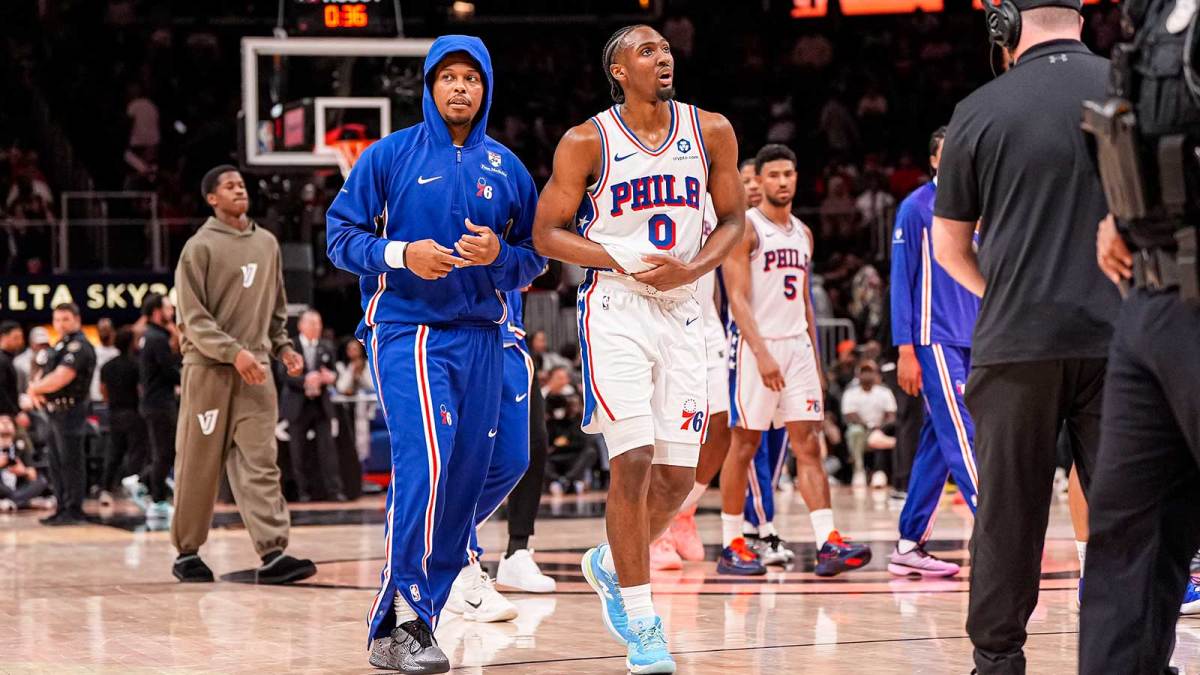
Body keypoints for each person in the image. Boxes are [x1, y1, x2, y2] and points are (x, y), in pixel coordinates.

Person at [325, 36, 544, 673]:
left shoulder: (508, 167)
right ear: (428, 85)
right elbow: (341, 237)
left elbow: (536, 255)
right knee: (425, 466)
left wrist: (499, 258)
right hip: (410, 330)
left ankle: (418, 589)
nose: (459, 89)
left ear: (487, 89)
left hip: (483, 333)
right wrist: (401, 255)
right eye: (447, 77)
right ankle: (408, 620)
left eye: (471, 80)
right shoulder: (388, 155)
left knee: (494, 466)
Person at [531, 24, 744, 672]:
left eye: (665, 48)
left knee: (678, 478)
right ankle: (644, 624)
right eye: (646, 50)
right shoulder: (586, 140)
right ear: (618, 70)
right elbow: (546, 233)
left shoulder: (711, 131)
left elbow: (734, 219)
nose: (663, 56)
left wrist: (693, 266)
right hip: (617, 309)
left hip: (684, 306)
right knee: (633, 460)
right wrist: (618, 257)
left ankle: (608, 559)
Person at [930, 0, 1119, 669]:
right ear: (1083, 19)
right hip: (1121, 340)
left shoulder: (978, 109)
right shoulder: (1123, 87)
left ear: (1005, 26)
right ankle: (1133, 655)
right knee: (1129, 513)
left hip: (1017, 341)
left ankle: (998, 659)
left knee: (1008, 517)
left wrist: (1005, 289)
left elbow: (949, 246)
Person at [724, 143, 872, 579]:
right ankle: (734, 541)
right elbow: (736, 298)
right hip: (757, 347)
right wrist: (763, 353)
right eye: (774, 175)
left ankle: (828, 541)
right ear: (761, 181)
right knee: (744, 444)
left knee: (809, 445)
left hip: (798, 348)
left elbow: (806, 300)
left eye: (789, 174)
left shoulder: (803, 233)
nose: (782, 181)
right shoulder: (745, 229)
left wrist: (815, 358)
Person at [170, 165, 315, 586]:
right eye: (229, 186)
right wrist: (234, 353)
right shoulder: (198, 248)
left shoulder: (267, 243)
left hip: (256, 369)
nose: (239, 190)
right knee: (199, 462)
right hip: (209, 369)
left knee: (261, 460)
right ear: (211, 199)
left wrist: (284, 348)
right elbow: (192, 319)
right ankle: (187, 552)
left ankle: (272, 551)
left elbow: (275, 308)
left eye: (242, 185)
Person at [889, 125, 980, 577]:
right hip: (934, 336)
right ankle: (997, 529)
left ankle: (909, 542)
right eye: (949, 152)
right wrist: (905, 348)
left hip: (974, 336)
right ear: (934, 160)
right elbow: (901, 282)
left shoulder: (977, 208)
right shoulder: (916, 207)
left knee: (939, 441)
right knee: (964, 433)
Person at [447, 288, 556, 624]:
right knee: (462, 462)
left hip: (509, 335)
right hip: (457, 328)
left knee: (516, 459)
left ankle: (444, 540)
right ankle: (461, 568)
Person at [27, 303, 96, 526]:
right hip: (54, 411)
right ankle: (62, 506)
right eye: (57, 320)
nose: (61, 324)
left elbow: (61, 377)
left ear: (76, 319)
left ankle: (74, 509)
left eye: (65, 319)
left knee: (71, 461)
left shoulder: (80, 346)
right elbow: (42, 373)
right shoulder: (58, 346)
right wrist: (35, 388)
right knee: (56, 461)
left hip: (72, 411)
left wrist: (35, 389)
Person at [282, 309, 344, 502]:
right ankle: (302, 491)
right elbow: (282, 374)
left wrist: (330, 377)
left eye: (318, 323)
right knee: (298, 450)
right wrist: (305, 379)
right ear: (301, 325)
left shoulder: (326, 346)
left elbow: (334, 373)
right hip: (297, 403)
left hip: (321, 404)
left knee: (328, 449)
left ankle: (334, 490)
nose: (316, 327)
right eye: (312, 323)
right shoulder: (290, 346)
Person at [139, 293, 181, 520]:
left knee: (165, 450)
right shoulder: (156, 338)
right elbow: (168, 370)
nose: (171, 311)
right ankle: (155, 496)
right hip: (159, 404)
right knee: (165, 452)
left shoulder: (151, 336)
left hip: (155, 402)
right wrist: (189, 380)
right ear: (156, 312)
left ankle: (146, 483)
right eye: (167, 308)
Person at [98, 327, 147, 508]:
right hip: (133, 412)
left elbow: (103, 391)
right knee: (136, 452)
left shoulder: (107, 366)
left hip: (114, 413)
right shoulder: (136, 365)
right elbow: (140, 389)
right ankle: (132, 487)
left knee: (114, 452)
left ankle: (106, 488)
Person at [840, 359, 898, 487]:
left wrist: (880, 428)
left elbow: (891, 416)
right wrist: (869, 427)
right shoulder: (851, 393)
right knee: (855, 431)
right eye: (864, 372)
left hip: (881, 429)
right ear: (858, 375)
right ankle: (858, 470)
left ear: (876, 374)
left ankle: (879, 473)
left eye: (870, 372)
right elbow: (849, 415)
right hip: (862, 430)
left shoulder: (884, 392)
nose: (867, 375)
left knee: (883, 437)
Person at [0, 414, 47, 511]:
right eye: (2, 422)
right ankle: (26, 502)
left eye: (9, 422)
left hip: (18, 487)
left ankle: (13, 501)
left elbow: (32, 475)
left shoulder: (21, 446)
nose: (6, 424)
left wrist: (23, 471)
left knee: (41, 481)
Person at [90, 318, 118, 403]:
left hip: (115, 401)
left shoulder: (119, 353)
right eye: (101, 330)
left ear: (113, 331)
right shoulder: (92, 352)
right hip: (95, 399)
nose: (103, 333)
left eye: (106, 330)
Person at [0, 321, 23, 417]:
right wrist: (15, 413)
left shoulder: (9, 358)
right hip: (5, 416)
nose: (20, 341)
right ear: (3, 337)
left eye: (21, 337)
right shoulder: (1, 359)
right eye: (15, 338)